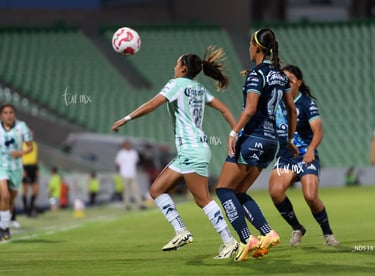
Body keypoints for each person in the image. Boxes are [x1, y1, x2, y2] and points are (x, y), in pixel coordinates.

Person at [112, 46, 238, 259]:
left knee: (203, 199)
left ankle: (230, 242)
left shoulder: (176, 84)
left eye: (177, 63)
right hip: (190, 151)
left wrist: (126, 118)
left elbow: (153, 104)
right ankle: (181, 231)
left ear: (183, 68)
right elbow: (225, 109)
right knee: (156, 190)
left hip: (192, 150)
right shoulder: (198, 88)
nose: (174, 66)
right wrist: (234, 132)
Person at [214, 28, 297, 261]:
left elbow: (250, 109)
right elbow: (292, 110)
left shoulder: (256, 74)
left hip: (253, 138)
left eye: (250, 44)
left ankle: (246, 238)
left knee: (223, 189)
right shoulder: (281, 76)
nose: (249, 48)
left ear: (257, 47)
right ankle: (267, 233)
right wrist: (288, 140)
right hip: (271, 142)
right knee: (239, 191)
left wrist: (233, 132)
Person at [270, 64, 339, 247]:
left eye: (290, 81)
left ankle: (327, 233)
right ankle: (297, 228)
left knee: (310, 196)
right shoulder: (275, 102)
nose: (286, 84)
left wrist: (310, 151)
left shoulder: (307, 103)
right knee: (276, 192)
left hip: (305, 156)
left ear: (299, 83)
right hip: (285, 156)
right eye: (283, 80)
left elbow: (318, 132)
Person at [0, 103, 33, 241]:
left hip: (17, 168)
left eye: (11, 112)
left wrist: (21, 152)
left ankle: (4, 219)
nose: (9, 115)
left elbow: (30, 147)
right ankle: (4, 228)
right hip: (2, 166)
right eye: (6, 112)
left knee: (11, 200)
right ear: (1, 115)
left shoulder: (22, 126)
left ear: (14, 114)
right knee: (5, 196)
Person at [115, 140, 146, 210]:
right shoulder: (121, 153)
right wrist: (119, 173)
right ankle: (127, 205)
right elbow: (117, 164)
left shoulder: (133, 153)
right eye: (126, 145)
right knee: (126, 191)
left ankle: (140, 204)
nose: (127, 146)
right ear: (123, 146)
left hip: (133, 174)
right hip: (124, 174)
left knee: (136, 190)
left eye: (128, 144)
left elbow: (136, 162)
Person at [21, 128, 39, 217]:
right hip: (25, 167)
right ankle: (26, 210)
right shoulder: (22, 145)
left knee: (36, 190)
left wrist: (37, 169)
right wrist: (22, 170)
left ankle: (31, 208)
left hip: (33, 168)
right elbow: (19, 158)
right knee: (25, 190)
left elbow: (35, 158)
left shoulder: (35, 145)